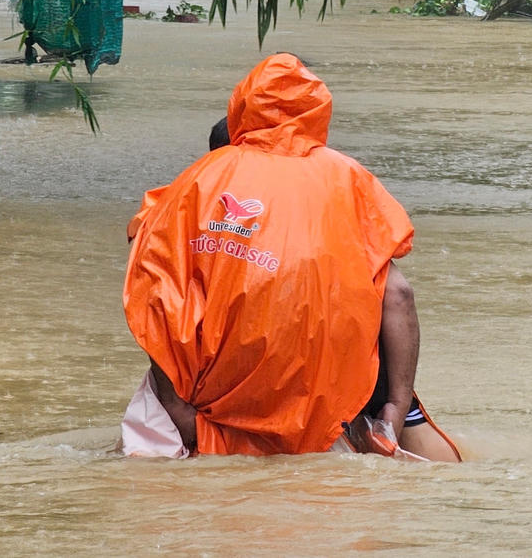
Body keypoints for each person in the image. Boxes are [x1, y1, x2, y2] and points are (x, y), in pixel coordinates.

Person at [120, 54, 459, 460]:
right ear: (317, 113)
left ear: (240, 110)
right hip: (326, 406)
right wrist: (395, 409)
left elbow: (156, 293)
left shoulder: (199, 179)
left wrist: (176, 407)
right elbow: (399, 295)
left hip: (203, 404)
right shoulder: (346, 179)